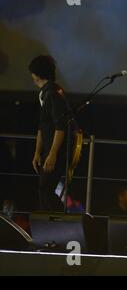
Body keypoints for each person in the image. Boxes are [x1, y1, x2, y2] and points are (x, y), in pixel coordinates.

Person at [30, 55, 69, 212]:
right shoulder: (44, 93)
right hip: (47, 149)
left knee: (45, 190)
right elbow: (42, 125)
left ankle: (60, 223)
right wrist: (37, 152)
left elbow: (61, 126)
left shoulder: (52, 93)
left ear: (38, 74)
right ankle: (52, 225)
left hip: (55, 150)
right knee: (43, 190)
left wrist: (52, 154)